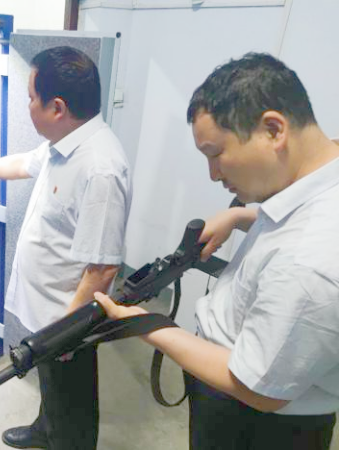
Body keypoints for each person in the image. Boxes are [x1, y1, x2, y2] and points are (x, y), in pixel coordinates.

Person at [96, 52, 339, 449]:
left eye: (215, 154)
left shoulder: (309, 259)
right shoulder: (324, 170)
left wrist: (147, 324)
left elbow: (259, 388)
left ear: (273, 130)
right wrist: (241, 217)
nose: (213, 175)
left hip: (254, 422)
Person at [0, 46, 132, 450]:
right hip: (47, 310)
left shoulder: (100, 168)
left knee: (72, 400)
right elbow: (23, 164)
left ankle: (65, 441)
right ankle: (45, 430)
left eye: (31, 98)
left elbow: (102, 269)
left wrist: (66, 333)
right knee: (53, 387)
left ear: (57, 107)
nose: (28, 105)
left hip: (66, 316)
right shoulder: (64, 144)